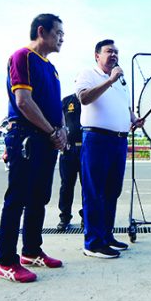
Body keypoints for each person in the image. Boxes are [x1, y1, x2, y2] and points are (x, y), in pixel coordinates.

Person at [0, 13, 68, 283]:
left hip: (47, 140)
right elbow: (24, 102)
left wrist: (61, 131)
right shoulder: (22, 57)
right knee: (17, 199)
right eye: (58, 32)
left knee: (39, 198)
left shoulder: (51, 67)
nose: (62, 38)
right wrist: (51, 131)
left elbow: (56, 106)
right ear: (42, 30)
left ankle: (31, 251)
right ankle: (6, 260)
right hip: (27, 138)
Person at [76, 39, 144, 259]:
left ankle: (106, 236)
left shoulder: (120, 81)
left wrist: (133, 118)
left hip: (119, 140)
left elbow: (123, 106)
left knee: (111, 191)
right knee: (94, 191)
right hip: (97, 138)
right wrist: (110, 80)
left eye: (116, 52)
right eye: (109, 51)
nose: (114, 55)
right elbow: (85, 98)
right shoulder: (88, 73)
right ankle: (93, 243)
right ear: (97, 55)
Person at [56, 93, 84, 230]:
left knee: (88, 186)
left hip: (86, 150)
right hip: (68, 150)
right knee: (66, 186)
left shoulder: (93, 98)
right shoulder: (67, 101)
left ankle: (86, 216)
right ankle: (64, 217)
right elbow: (57, 120)